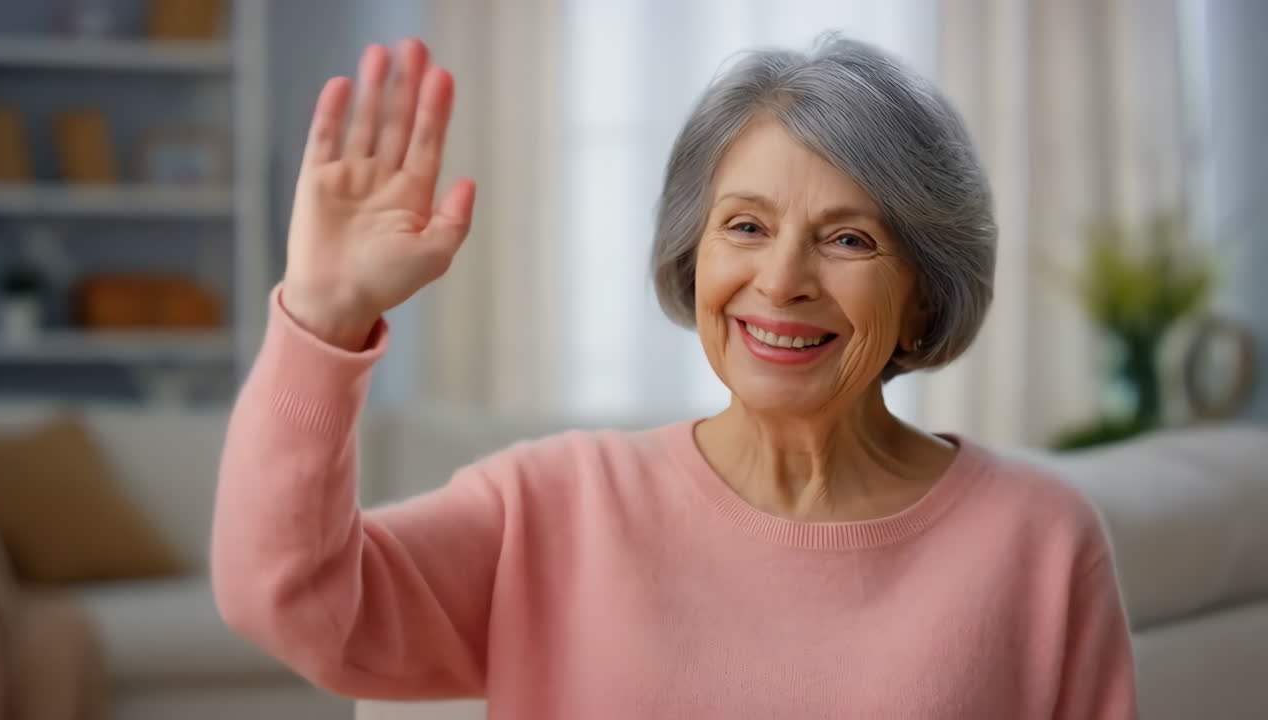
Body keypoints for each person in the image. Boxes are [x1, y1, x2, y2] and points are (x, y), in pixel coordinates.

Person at [212, 33, 1137, 719]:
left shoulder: (1040, 541)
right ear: (693, 256)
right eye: (745, 226)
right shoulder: (553, 505)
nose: (781, 281)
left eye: (848, 239)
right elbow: (287, 600)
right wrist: (321, 320)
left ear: (926, 295)